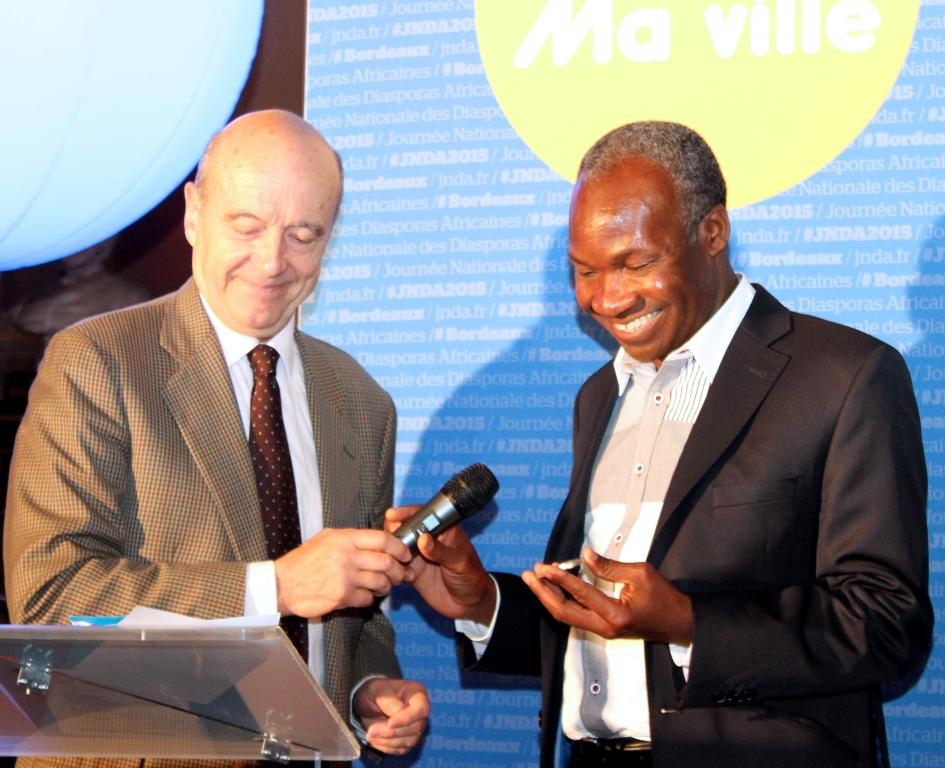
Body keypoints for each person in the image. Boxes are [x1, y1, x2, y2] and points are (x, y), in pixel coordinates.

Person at [388, 121, 932, 768]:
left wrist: (687, 622)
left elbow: (885, 621)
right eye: (584, 271)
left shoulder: (842, 377)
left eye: (634, 263)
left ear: (712, 233)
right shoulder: (597, 396)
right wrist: (480, 601)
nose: (606, 298)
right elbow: (604, 627)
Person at [4, 109, 429, 765]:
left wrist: (363, 692)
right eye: (247, 226)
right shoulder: (97, 362)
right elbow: (54, 598)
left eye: (303, 234)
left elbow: (356, 615)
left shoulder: (361, 402)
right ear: (194, 213)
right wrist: (274, 588)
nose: (272, 262)